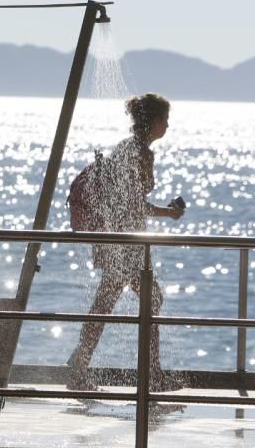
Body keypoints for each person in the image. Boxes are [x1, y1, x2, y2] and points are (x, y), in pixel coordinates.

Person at [67, 93, 186, 392]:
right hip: (128, 242)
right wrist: (169, 214)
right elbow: (133, 203)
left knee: (109, 304)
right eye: (166, 121)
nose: (168, 127)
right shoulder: (142, 154)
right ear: (156, 121)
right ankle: (151, 375)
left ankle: (78, 367)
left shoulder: (124, 148)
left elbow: (123, 199)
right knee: (149, 299)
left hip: (115, 237)